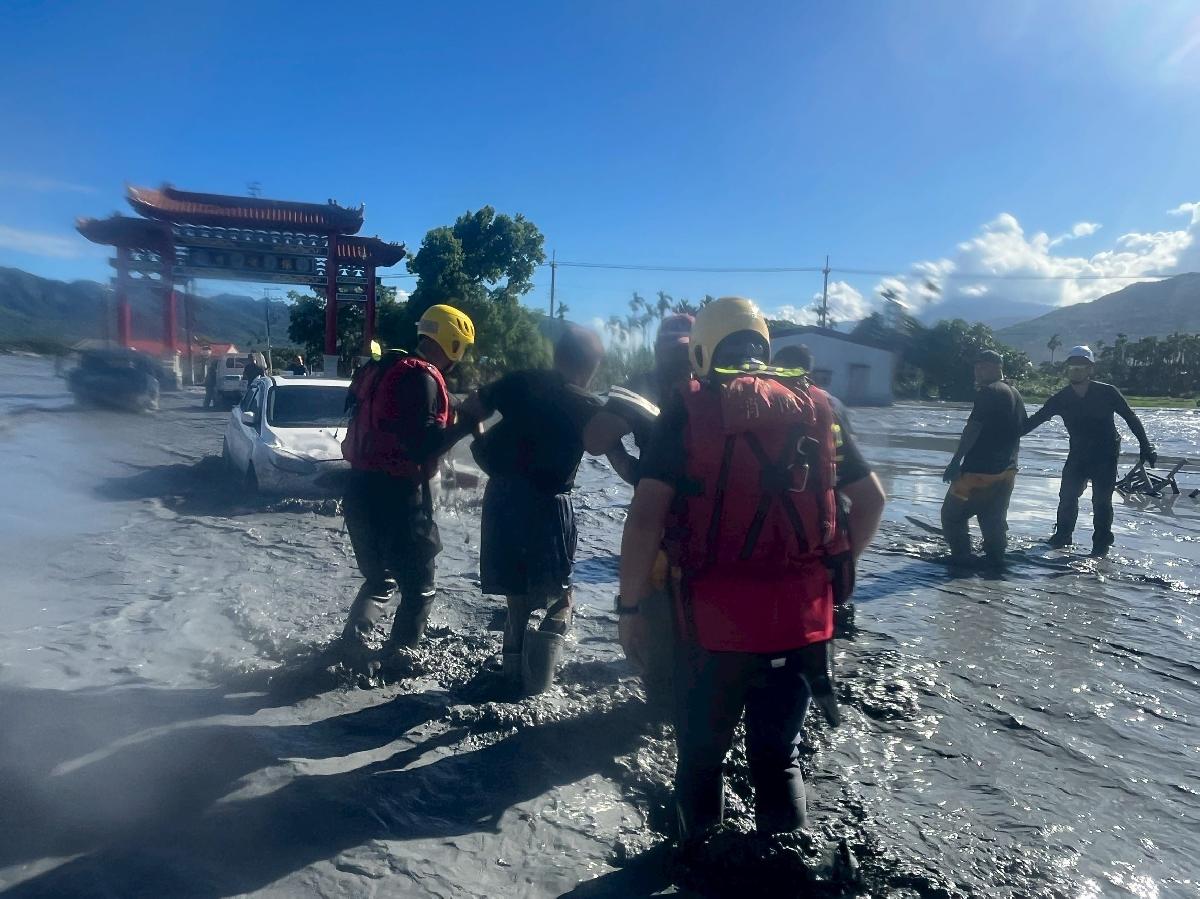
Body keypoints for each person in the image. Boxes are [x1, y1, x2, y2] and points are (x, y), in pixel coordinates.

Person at [618, 297, 886, 841]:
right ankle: (784, 865)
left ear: (701, 351)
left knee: (702, 756)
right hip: (803, 623)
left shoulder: (687, 408)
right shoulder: (820, 406)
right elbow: (872, 501)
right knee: (779, 756)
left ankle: (697, 862)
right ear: (762, 346)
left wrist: (629, 608)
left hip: (712, 626)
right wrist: (833, 574)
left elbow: (645, 519)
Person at [461, 325, 606, 696]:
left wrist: (484, 449)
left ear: (557, 355)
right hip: (548, 506)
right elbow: (607, 447)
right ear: (591, 366)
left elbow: (470, 407)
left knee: (517, 598)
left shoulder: (521, 381)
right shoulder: (586, 403)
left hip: (501, 500)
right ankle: (536, 685)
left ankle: (511, 675)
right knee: (560, 597)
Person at [338, 304, 478, 663]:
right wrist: (467, 424)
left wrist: (460, 406)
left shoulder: (386, 368)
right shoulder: (422, 377)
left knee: (380, 581)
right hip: (398, 499)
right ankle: (398, 663)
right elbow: (423, 446)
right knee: (420, 589)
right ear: (453, 344)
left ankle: (349, 648)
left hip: (359, 491)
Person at [1024, 345, 1157, 557]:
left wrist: (1145, 445)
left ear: (1090, 369)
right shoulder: (1061, 398)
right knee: (1067, 496)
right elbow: (1035, 420)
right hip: (1078, 454)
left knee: (1101, 501)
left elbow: (1130, 417)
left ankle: (1101, 544)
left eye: (1081, 366)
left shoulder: (1107, 392)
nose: (1076, 370)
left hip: (1105, 454)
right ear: (1067, 369)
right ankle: (1062, 536)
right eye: (1072, 366)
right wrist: (1007, 434)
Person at [940, 349, 1026, 566]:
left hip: (978, 474)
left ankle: (961, 561)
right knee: (992, 520)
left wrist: (955, 462)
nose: (978, 371)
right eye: (976, 366)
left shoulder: (989, 392)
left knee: (952, 516)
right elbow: (1022, 427)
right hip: (1007, 473)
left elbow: (973, 428)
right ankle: (996, 565)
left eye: (984, 366)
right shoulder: (1015, 393)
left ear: (998, 367)